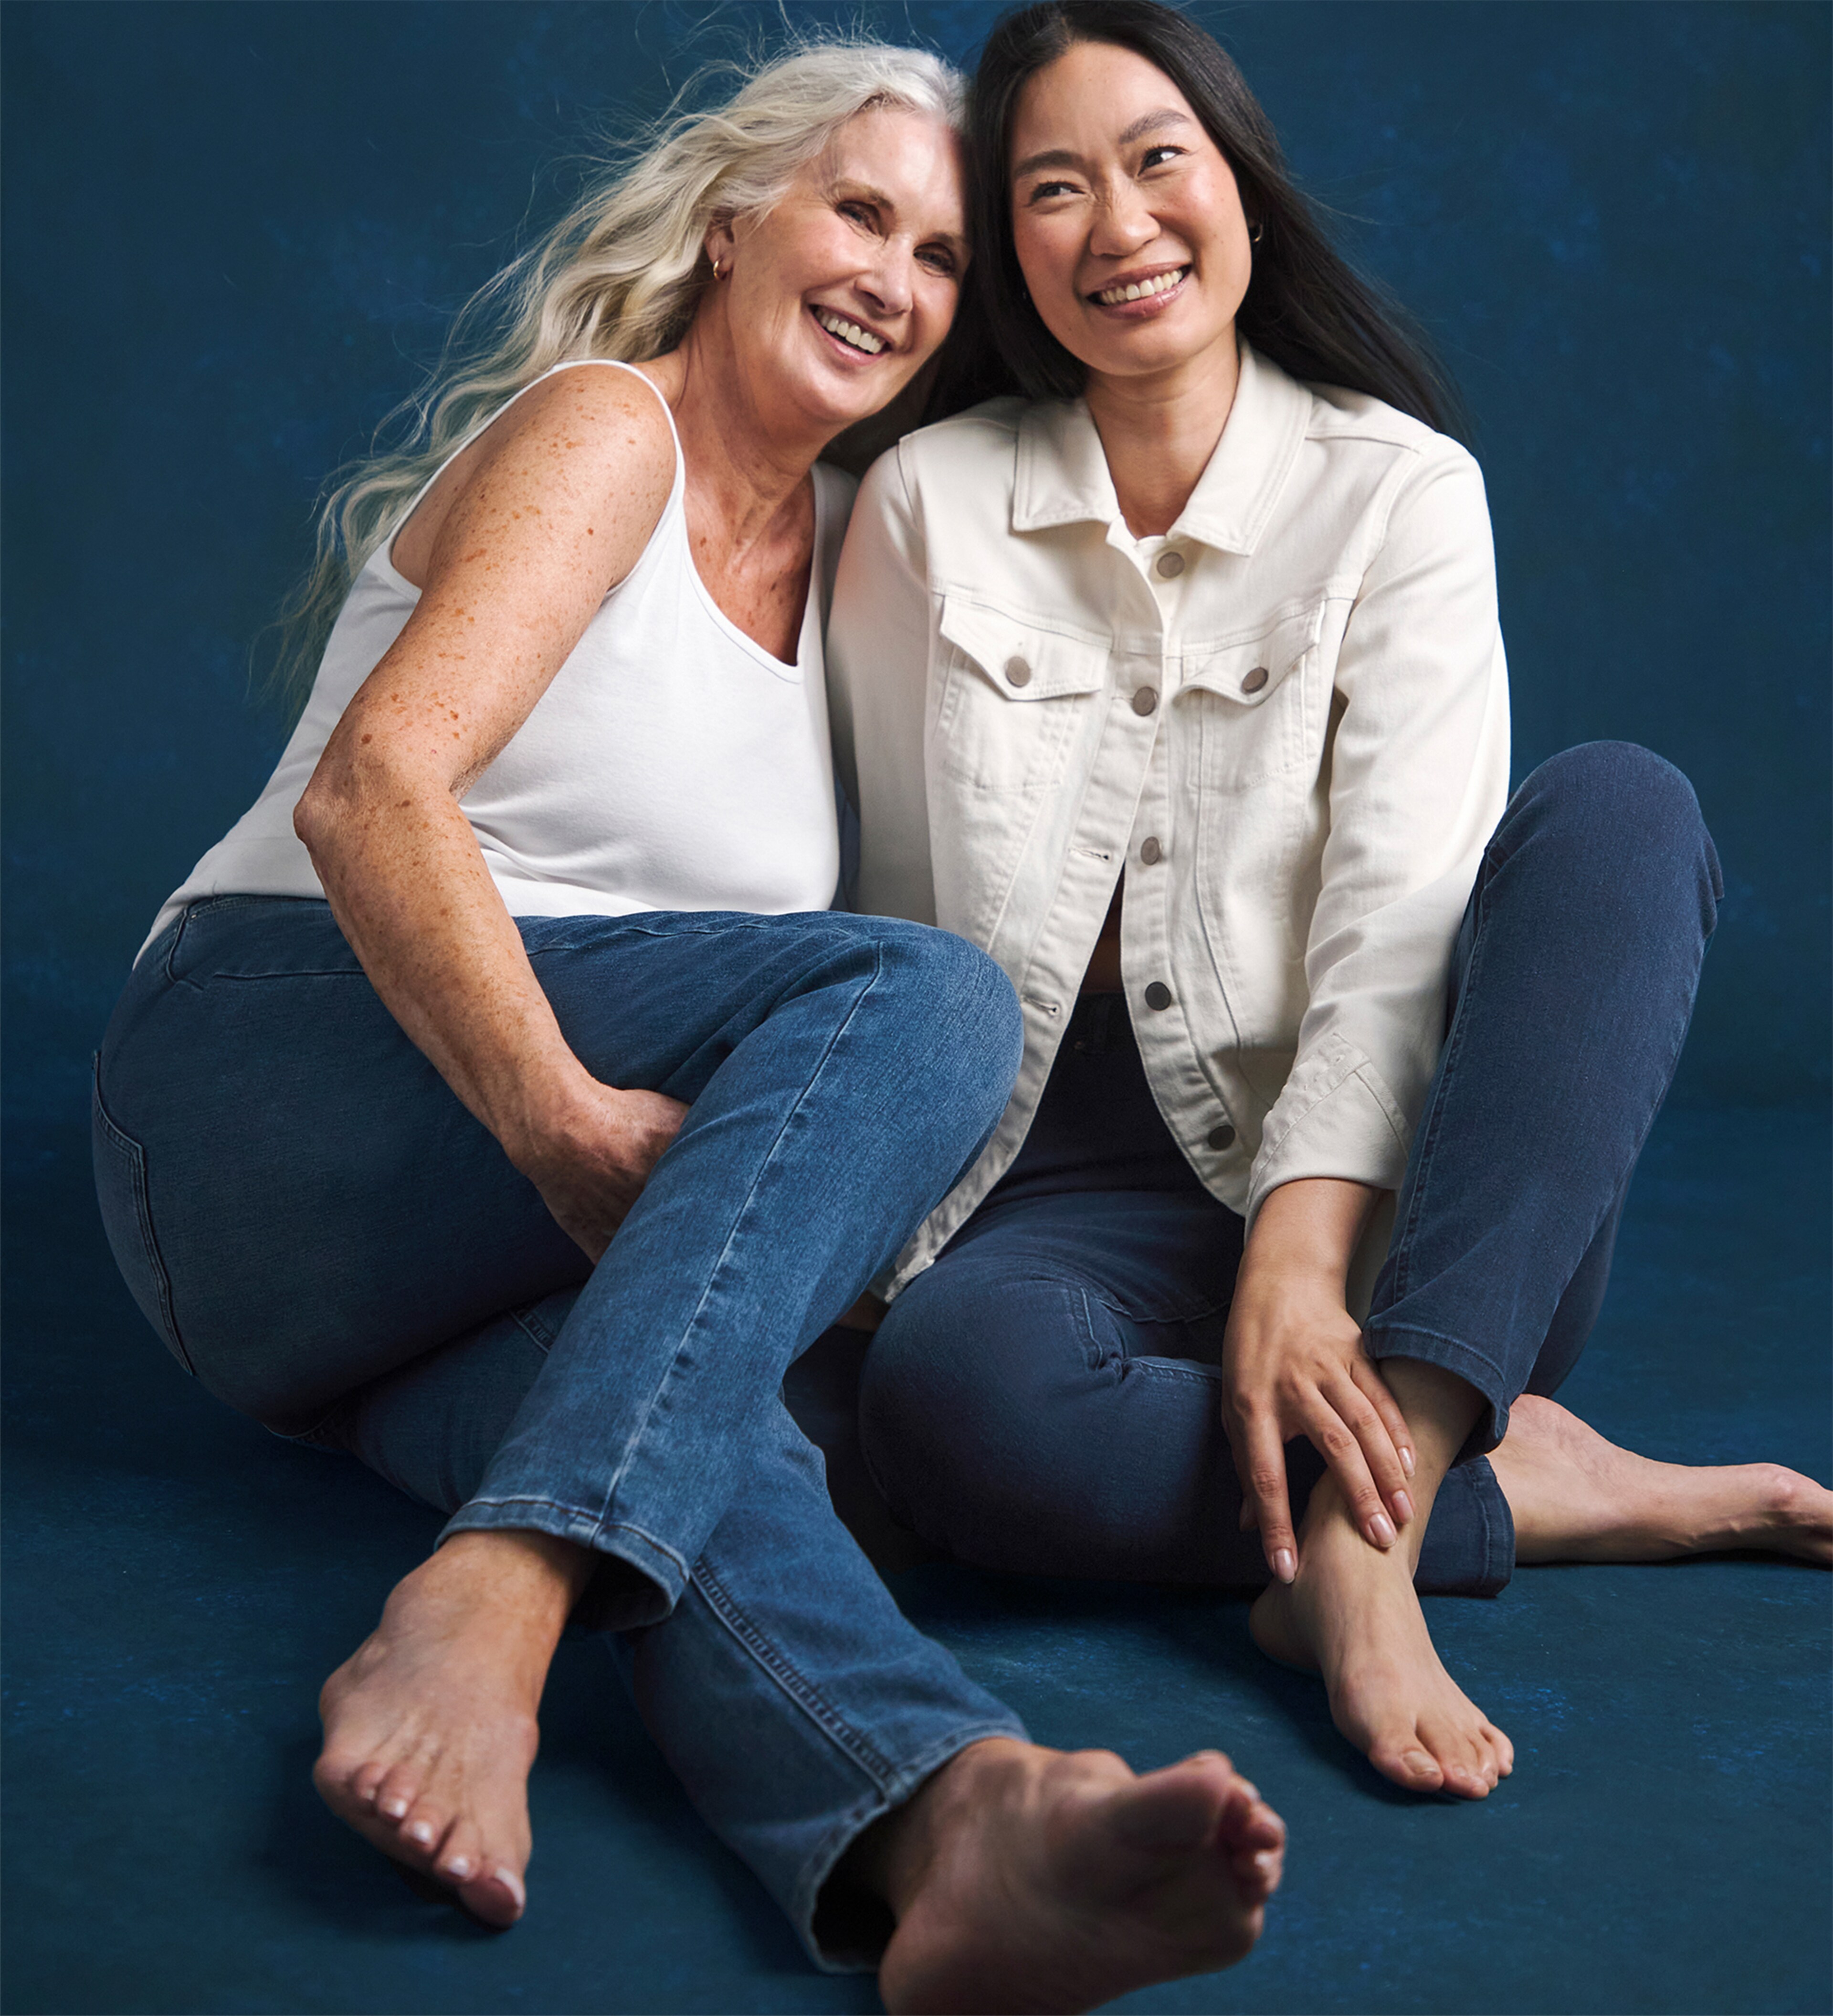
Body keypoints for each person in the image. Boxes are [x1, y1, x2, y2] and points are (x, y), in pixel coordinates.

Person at [91, 42, 1285, 2013]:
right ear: (736, 224)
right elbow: (372, 795)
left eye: (944, 260)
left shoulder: (858, 566)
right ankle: (502, 1588)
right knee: (923, 1000)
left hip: (361, 1310)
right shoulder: (606, 435)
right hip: (262, 1086)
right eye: (861, 213)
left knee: (734, 1410)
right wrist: (572, 1137)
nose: (896, 278)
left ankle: (943, 1815)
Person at [826, 0, 1832, 1805]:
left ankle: (1371, 1549)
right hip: (1054, 1201)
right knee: (948, 1406)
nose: (1116, 224)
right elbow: (885, 907)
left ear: (1245, 197)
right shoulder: (923, 504)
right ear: (1014, 259)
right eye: (1051, 190)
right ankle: (1512, 1483)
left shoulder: (1400, 492)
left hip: (1406, 1216)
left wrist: (1301, 1261)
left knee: (1621, 808)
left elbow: (1401, 910)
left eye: (1156, 163)